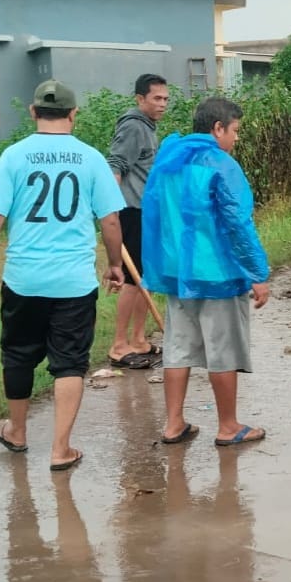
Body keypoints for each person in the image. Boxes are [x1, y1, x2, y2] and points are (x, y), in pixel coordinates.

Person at [0, 80, 126, 470]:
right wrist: (115, 264)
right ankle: (61, 449)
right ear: (73, 114)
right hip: (74, 282)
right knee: (68, 363)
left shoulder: (13, 157)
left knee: (17, 355)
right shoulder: (91, 158)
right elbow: (111, 221)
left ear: (33, 113)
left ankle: (16, 431)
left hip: (23, 278)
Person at [140, 97, 271, 447]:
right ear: (218, 128)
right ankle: (228, 426)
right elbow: (237, 223)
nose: (236, 138)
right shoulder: (221, 164)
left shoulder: (170, 159)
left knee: (178, 347)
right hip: (217, 274)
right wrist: (257, 273)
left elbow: (155, 215)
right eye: (235, 131)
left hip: (176, 272)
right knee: (222, 350)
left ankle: (173, 423)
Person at [107, 73, 169, 369]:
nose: (163, 104)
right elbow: (116, 164)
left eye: (166, 99)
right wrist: (108, 208)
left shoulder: (148, 127)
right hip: (131, 212)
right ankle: (119, 345)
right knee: (133, 280)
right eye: (157, 98)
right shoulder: (133, 126)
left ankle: (139, 340)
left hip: (147, 212)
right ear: (140, 99)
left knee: (147, 277)